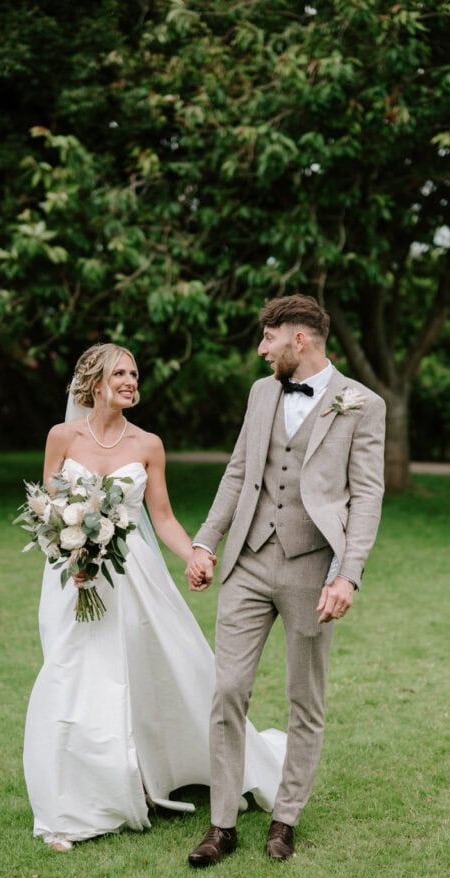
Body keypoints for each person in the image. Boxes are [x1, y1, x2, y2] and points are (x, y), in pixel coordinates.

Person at [23, 342, 285, 851]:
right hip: (73, 576)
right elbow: (49, 505)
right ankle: (70, 801)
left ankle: (141, 774)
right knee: (71, 673)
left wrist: (195, 554)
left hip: (132, 575)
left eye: (135, 373)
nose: (130, 381)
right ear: (96, 383)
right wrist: (72, 553)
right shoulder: (62, 436)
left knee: (141, 671)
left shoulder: (148, 444)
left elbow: (161, 517)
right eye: (120, 373)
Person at [185, 295, 386, 866]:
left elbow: (368, 495)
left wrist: (348, 574)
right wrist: (206, 542)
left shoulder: (362, 404)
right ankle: (221, 824)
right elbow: (238, 470)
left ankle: (285, 819)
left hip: (312, 567)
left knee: (306, 699)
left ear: (299, 339)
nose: (261, 349)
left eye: (267, 338)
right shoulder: (261, 392)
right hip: (248, 561)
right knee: (227, 690)